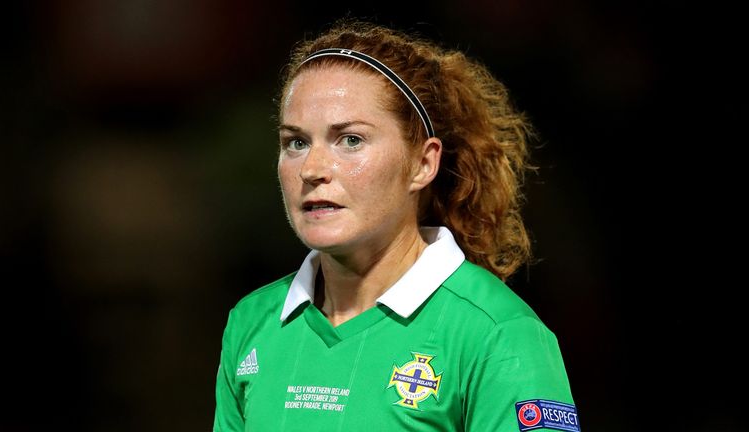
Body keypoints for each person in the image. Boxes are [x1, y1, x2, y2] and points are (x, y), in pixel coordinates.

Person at [214, 20, 579, 432]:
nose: (313, 169)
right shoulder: (251, 323)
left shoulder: (498, 333)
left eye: (350, 140)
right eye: (296, 142)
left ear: (423, 164)